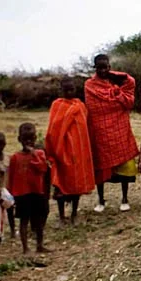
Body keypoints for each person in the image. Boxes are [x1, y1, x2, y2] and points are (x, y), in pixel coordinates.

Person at [85, 54, 139, 213]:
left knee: (124, 165)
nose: (103, 70)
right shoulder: (89, 85)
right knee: (100, 166)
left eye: (106, 67)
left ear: (110, 67)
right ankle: (101, 200)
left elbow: (129, 97)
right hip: (99, 130)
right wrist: (115, 96)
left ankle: (124, 198)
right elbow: (95, 107)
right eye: (99, 67)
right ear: (95, 68)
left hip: (119, 128)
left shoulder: (116, 81)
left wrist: (116, 84)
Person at [45, 77, 95, 225]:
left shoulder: (80, 106)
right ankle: (61, 216)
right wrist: (54, 150)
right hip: (61, 151)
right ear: (60, 91)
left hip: (79, 151)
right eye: (66, 90)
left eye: (71, 89)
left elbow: (84, 128)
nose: (69, 92)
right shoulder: (57, 106)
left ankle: (74, 213)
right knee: (61, 184)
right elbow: (53, 130)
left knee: (76, 185)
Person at [8, 123, 50, 254]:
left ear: (35, 138)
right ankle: (25, 247)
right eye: (25, 139)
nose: (28, 142)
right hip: (22, 194)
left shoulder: (40, 153)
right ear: (19, 139)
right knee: (24, 221)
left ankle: (39, 245)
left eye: (31, 139)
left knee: (38, 220)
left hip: (37, 192)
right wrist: (11, 195)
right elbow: (12, 177)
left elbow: (42, 168)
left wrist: (34, 154)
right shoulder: (15, 157)